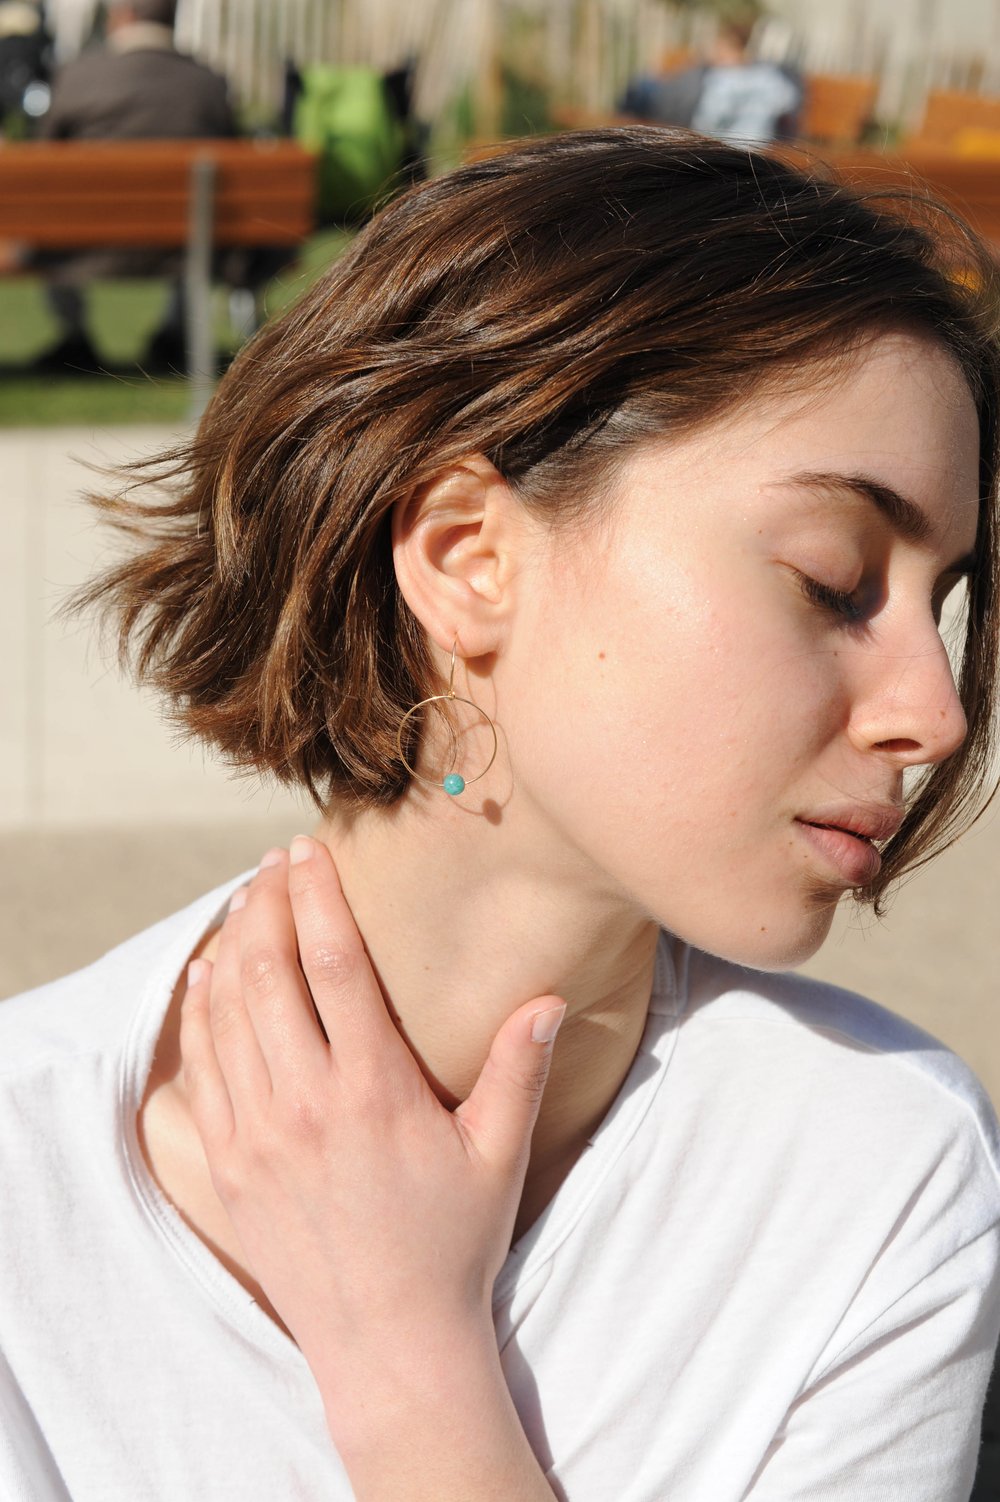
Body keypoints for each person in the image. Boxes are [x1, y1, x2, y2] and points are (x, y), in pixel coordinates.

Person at [2, 127, 1000, 1500]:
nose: (934, 713)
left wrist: (410, 1366)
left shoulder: (877, 1168)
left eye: (938, 603)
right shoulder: (26, 1179)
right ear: (470, 557)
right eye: (835, 580)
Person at [34, 0, 235, 374]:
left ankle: (75, 337)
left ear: (121, 17)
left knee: (46, 210)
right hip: (186, 242)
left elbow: (43, 162)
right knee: (199, 209)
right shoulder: (207, 82)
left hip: (83, 245)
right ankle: (174, 331)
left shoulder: (77, 76)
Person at [620, 19, 802, 145]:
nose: (716, 50)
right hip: (678, 107)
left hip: (687, 119)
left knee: (642, 86)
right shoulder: (711, 69)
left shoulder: (743, 76)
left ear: (737, 48)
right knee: (643, 85)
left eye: (721, 45)